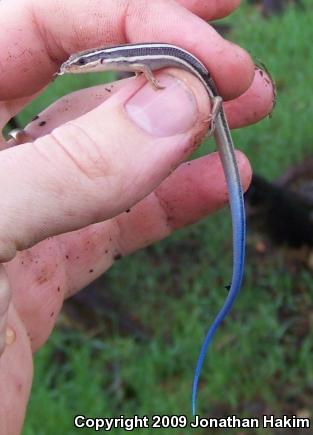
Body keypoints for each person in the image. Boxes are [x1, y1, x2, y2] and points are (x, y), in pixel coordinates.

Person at [0, 0, 274, 433]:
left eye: (82, 63)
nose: (75, 67)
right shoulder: (130, 59)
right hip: (192, 76)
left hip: (203, 85)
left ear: (100, 60)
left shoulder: (133, 61)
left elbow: (147, 73)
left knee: (217, 121)